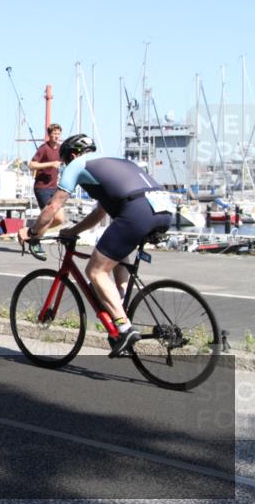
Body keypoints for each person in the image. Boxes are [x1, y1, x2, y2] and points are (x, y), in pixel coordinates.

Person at [18, 134, 174, 358]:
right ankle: (119, 304)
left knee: (95, 271)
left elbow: (53, 206)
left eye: (65, 161)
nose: (65, 165)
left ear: (72, 155)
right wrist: (73, 231)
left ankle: (124, 328)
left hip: (138, 211)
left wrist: (32, 232)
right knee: (114, 253)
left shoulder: (77, 164)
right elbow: (100, 213)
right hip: (163, 209)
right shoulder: (112, 161)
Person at [29, 124, 65, 225]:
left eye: (58, 134)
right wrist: (51, 164)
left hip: (54, 188)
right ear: (49, 135)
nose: (57, 136)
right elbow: (31, 165)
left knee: (60, 218)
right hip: (42, 188)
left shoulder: (61, 149)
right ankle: (33, 232)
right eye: (54, 134)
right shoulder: (44, 148)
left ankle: (34, 231)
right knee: (48, 218)